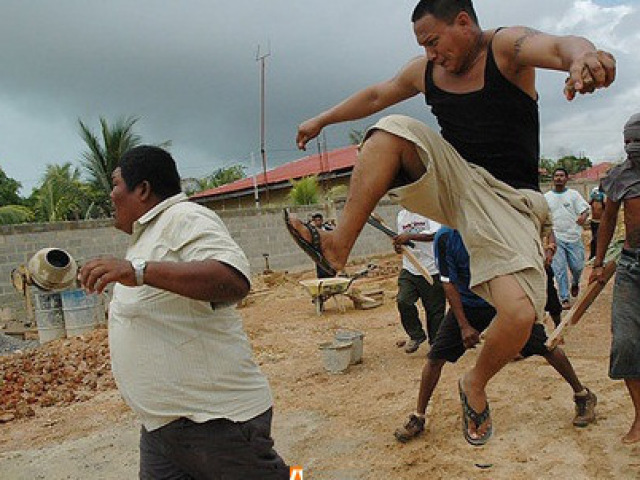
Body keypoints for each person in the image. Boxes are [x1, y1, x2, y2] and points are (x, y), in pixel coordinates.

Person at [285, 0, 615, 444]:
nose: (432, 54)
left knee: (519, 316)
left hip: (510, 201)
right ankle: (337, 246)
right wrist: (322, 119)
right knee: (391, 130)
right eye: (423, 46)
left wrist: (583, 56)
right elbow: (378, 95)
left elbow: (558, 46)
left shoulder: (504, 48)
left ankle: (474, 382)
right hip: (456, 183)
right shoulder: (426, 71)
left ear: (463, 22)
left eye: (434, 41)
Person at [78, 146, 289, 479]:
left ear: (143, 189)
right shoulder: (148, 235)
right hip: (164, 428)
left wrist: (137, 271)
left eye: (116, 183)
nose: (110, 194)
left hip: (215, 424)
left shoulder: (184, 217)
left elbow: (232, 280)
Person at [394, 227, 596, 444]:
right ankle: (419, 416)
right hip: (468, 305)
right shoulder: (445, 237)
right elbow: (448, 282)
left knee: (545, 347)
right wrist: (463, 325)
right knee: (435, 358)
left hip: (504, 302)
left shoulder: (496, 228)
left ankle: (583, 396)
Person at [589, 112, 640, 445]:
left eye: (638, 140)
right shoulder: (619, 177)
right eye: (628, 141)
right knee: (625, 344)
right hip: (631, 268)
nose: (632, 147)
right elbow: (607, 220)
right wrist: (597, 261)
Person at [394, 209, 445, 353]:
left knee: (434, 310)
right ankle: (416, 335)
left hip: (431, 268)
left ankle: (436, 343)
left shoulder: (429, 210)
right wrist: (398, 246)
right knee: (403, 300)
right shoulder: (401, 215)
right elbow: (402, 241)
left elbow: (435, 235)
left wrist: (410, 236)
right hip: (410, 266)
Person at [544, 167, 590, 309]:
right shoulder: (546, 198)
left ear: (566, 178)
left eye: (561, 175)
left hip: (573, 236)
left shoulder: (573, 195)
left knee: (577, 266)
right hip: (556, 238)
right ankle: (564, 298)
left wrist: (583, 217)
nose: (559, 178)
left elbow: (585, 210)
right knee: (559, 269)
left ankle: (575, 282)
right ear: (553, 179)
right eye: (556, 176)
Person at [311, 213, 335, 278]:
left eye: (319, 220)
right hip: (319, 253)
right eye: (315, 221)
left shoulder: (328, 229)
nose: (317, 222)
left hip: (328, 253)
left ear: (322, 220)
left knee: (330, 269)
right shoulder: (313, 232)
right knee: (321, 270)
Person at [589, 182, 606, 260]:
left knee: (598, 238)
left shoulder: (605, 194)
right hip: (594, 221)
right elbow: (589, 203)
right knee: (594, 239)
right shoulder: (595, 191)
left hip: (601, 221)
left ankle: (599, 256)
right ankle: (593, 255)